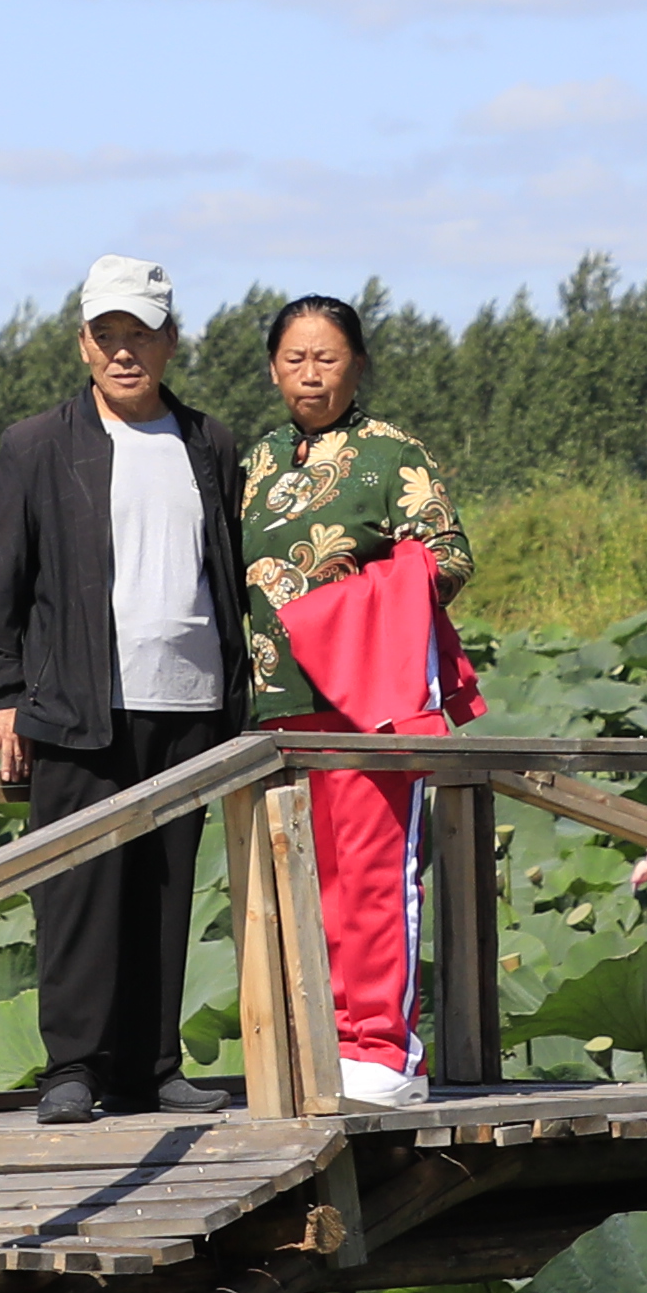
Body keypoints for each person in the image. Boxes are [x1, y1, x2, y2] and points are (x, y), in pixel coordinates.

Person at [0, 254, 257, 1125]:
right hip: (79, 703)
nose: (124, 352)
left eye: (140, 335)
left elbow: (233, 571)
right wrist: (5, 687)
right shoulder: (36, 445)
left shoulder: (209, 442)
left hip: (191, 701)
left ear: (171, 341)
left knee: (168, 890)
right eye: (108, 336)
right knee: (79, 885)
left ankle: (152, 1064)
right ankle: (73, 1068)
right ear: (83, 343)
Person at [246, 294, 480, 1107]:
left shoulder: (391, 456)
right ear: (274, 367)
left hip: (368, 698)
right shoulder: (257, 461)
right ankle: (320, 1044)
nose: (311, 374)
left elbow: (448, 557)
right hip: (280, 702)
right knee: (308, 881)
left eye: (328, 358)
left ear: (357, 365)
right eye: (295, 359)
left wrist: (347, 605)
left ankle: (383, 1050)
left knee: (377, 876)